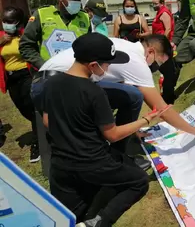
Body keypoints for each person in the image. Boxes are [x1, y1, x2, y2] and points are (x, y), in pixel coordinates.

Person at [42, 33, 162, 226]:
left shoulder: (51, 84)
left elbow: (48, 121)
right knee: (138, 181)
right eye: (107, 64)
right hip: (92, 162)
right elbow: (112, 135)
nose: (108, 68)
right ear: (92, 65)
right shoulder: (94, 92)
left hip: (60, 165)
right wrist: (146, 120)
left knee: (72, 215)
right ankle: (98, 223)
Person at [32, 34, 195, 150]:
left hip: (43, 81)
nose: (155, 67)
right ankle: (117, 151)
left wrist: (132, 128)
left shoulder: (124, 45)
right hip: (53, 87)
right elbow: (161, 108)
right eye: (158, 62)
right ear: (151, 52)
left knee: (130, 94)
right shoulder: (136, 61)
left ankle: (121, 137)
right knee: (133, 95)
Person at [19, 0, 90, 71]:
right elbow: (26, 45)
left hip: (76, 74)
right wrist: (44, 66)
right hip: (49, 74)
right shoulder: (42, 14)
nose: (77, 3)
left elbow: (89, 48)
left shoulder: (85, 17)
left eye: (79, 0)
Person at [0, 6, 40, 162]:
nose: (6, 24)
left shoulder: (25, 36)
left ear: (17, 23)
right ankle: (42, 130)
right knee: (24, 110)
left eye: (10, 21)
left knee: (32, 108)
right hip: (11, 80)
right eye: (4, 21)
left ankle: (37, 145)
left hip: (26, 76)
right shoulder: (2, 37)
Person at [151, 0, 177, 103]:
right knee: (167, 71)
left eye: (156, 3)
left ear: (162, 3)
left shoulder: (164, 13)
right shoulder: (159, 13)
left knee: (168, 71)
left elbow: (168, 29)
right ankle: (168, 95)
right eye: (153, 4)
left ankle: (167, 97)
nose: (154, 6)